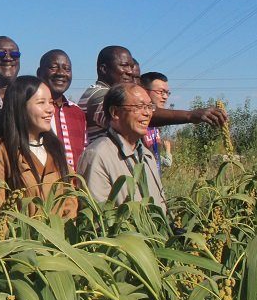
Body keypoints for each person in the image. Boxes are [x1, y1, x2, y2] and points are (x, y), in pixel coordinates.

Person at [78, 45, 227, 140]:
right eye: (124, 66)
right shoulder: (99, 95)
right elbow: (131, 116)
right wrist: (190, 115)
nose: (130, 72)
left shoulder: (109, 93)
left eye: (131, 66)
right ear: (103, 69)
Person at [0, 76, 77, 217]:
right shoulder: (1, 151)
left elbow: (70, 200)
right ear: (20, 106)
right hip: (21, 238)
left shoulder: (55, 148)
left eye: (50, 102)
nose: (50, 109)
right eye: (41, 103)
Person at [78, 84, 167, 210]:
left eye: (149, 107)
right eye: (139, 107)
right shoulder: (98, 155)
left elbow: (161, 205)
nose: (147, 113)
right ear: (115, 112)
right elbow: (98, 217)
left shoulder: (147, 156)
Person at [36, 49, 87, 170]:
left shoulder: (77, 112)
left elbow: (85, 152)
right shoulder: (32, 109)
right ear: (39, 73)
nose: (61, 73)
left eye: (67, 69)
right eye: (53, 67)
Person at [140, 71, 173, 170]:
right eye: (161, 92)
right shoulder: (138, 119)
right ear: (145, 91)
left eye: (167, 93)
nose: (165, 97)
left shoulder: (155, 124)